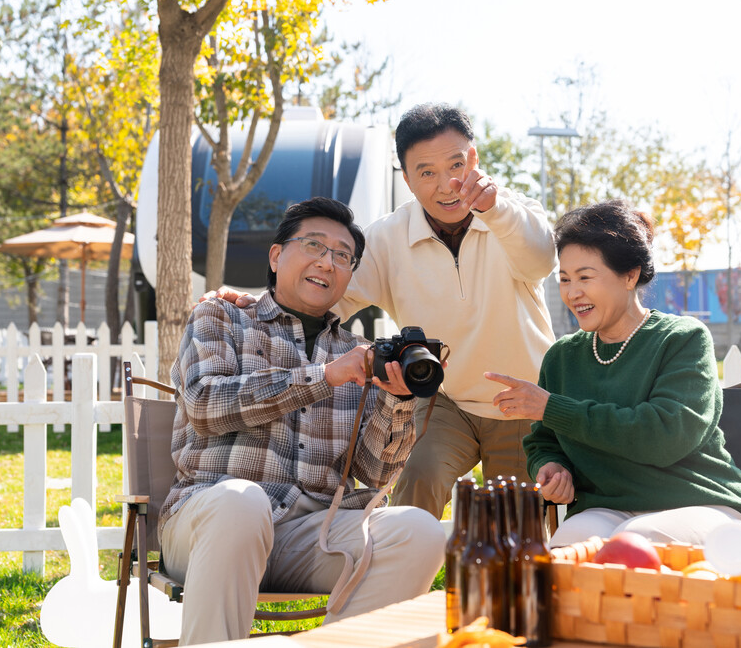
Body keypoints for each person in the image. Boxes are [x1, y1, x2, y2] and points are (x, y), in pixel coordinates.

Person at [211, 103, 557, 518]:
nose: (446, 184)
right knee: (415, 482)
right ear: (407, 179)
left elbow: (541, 261)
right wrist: (255, 301)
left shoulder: (515, 214)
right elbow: (323, 296)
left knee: (515, 524)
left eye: (456, 164)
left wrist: (495, 210)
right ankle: (400, 578)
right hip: (442, 396)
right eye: (426, 172)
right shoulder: (385, 239)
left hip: (520, 399)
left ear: (475, 160)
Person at [160, 197, 445, 644]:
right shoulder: (222, 316)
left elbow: (373, 475)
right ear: (277, 256)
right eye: (314, 245)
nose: (326, 262)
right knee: (242, 501)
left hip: (311, 535)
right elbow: (203, 402)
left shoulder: (356, 353)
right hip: (210, 523)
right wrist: (322, 377)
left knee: (420, 531)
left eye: (342, 255)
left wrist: (397, 402)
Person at [485, 199, 741, 547]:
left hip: (703, 504)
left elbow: (664, 436)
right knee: (568, 545)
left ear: (630, 275)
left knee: (637, 541)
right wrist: (551, 467)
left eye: (585, 277)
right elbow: (544, 441)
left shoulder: (682, 339)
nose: (573, 293)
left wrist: (552, 407)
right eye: (564, 279)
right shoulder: (562, 357)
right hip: (608, 508)